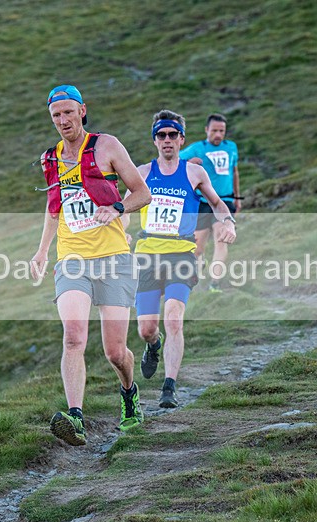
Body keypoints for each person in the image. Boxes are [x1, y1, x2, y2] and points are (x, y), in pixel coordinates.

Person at [30, 85, 151, 446]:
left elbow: (142, 193)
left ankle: (129, 393)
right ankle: (75, 418)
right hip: (71, 259)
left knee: (115, 352)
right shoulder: (49, 159)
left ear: (83, 110)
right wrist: (41, 252)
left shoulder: (106, 146)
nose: (63, 120)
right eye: (56, 115)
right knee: (73, 336)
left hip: (113, 256)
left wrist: (116, 208)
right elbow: (55, 208)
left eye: (68, 112)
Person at [122, 110, 236, 408]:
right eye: (162, 135)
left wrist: (228, 223)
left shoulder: (194, 173)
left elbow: (217, 202)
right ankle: (153, 346)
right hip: (147, 256)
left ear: (182, 139)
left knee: (174, 317)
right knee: (146, 329)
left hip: (181, 254)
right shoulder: (142, 173)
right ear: (155, 141)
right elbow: (123, 208)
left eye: (173, 135)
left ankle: (169, 386)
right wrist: (122, 233)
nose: (168, 140)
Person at [179, 113, 241, 292]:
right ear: (207, 130)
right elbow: (174, 162)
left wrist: (237, 197)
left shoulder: (231, 147)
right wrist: (190, 163)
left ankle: (215, 284)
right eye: (214, 131)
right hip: (202, 203)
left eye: (221, 131)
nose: (218, 135)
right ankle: (200, 267)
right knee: (197, 248)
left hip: (225, 201)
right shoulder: (197, 148)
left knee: (221, 241)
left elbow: (234, 172)